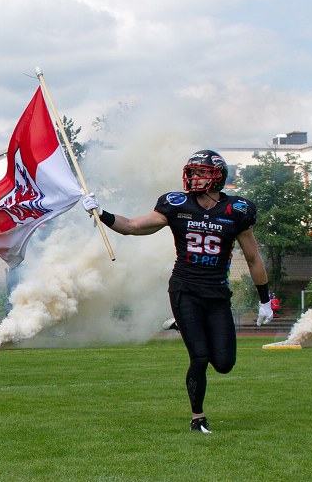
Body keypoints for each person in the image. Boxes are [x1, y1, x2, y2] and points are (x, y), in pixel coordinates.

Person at [82, 150, 274, 434]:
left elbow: (253, 258)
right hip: (185, 288)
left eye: (200, 172)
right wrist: (102, 213)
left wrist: (265, 300)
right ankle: (198, 418)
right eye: (192, 172)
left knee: (223, 363)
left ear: (217, 176)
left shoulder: (238, 210)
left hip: (217, 292)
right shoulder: (176, 204)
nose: (194, 177)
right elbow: (134, 227)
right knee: (199, 357)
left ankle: (182, 325)